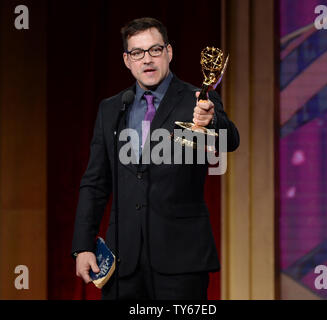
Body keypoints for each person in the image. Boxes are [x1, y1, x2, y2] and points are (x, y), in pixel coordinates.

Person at [71, 17, 239, 300]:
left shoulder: (196, 98)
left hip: (181, 261)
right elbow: (95, 182)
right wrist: (83, 245)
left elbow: (230, 140)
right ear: (127, 60)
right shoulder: (112, 109)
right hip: (123, 262)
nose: (146, 59)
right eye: (137, 52)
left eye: (155, 50)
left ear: (169, 52)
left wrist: (211, 122)